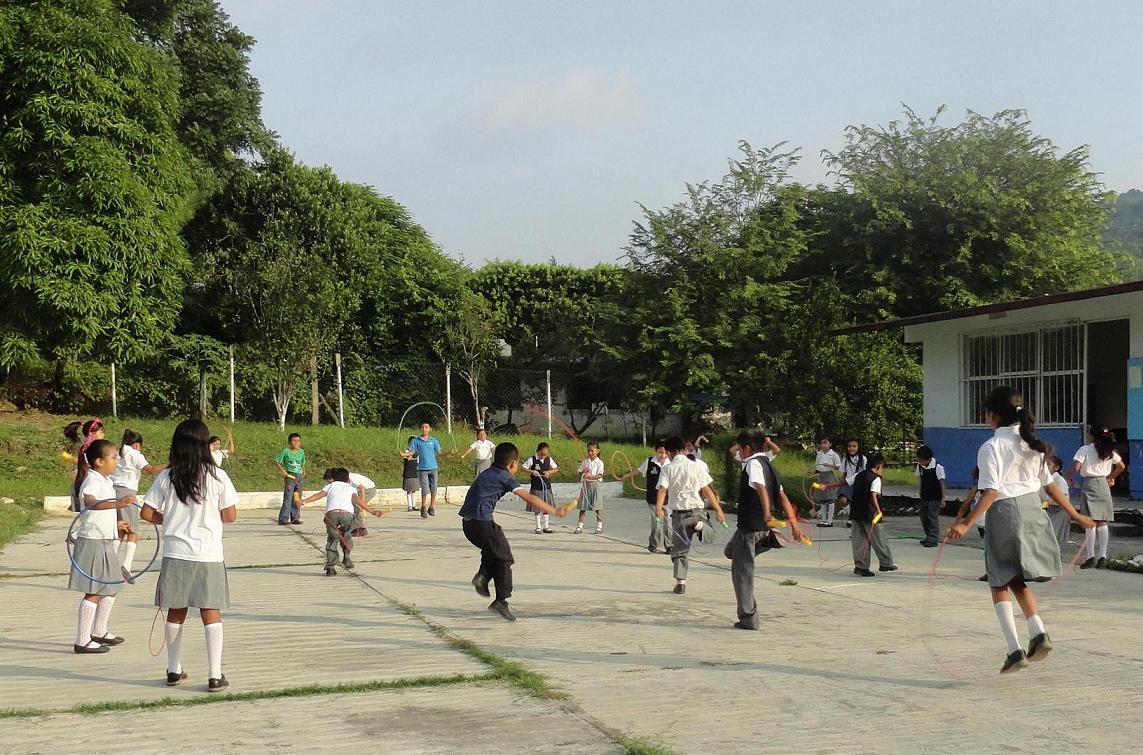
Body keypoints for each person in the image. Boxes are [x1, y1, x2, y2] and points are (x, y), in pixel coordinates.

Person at [949, 387, 1093, 673]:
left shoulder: (991, 447)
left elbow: (991, 492)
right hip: (1033, 511)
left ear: (992, 415)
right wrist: (1076, 514)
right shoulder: (1032, 445)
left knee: (998, 580)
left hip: (1005, 512)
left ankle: (1014, 649)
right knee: (1015, 578)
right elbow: (1050, 487)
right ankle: (1038, 632)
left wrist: (965, 523)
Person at [141, 418, 239, 692]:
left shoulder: (167, 476)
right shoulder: (217, 475)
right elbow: (230, 515)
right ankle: (215, 674)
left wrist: (169, 520)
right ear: (204, 444)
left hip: (176, 553)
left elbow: (146, 513)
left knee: (176, 611)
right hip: (208, 553)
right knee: (210, 611)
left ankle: (173, 669)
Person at [459, 442, 566, 621]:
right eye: (517, 464)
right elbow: (529, 497)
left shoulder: (488, 472)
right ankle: (500, 601)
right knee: (505, 558)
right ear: (512, 464)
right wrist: (554, 510)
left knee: (494, 549)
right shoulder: (504, 476)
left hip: (468, 525)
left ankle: (483, 577)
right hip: (481, 522)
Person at [725, 432, 801, 629]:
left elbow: (761, 488)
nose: (740, 454)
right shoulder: (770, 466)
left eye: (741, 449)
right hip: (762, 528)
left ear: (747, 448)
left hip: (751, 526)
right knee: (731, 552)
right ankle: (763, 543)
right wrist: (794, 524)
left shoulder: (753, 464)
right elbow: (782, 496)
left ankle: (748, 619)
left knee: (742, 572)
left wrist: (767, 512)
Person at [69, 439, 134, 654]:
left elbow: (100, 514)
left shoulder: (105, 480)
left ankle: (99, 630)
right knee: (94, 591)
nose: (117, 462)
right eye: (113, 458)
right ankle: (82, 640)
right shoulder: (92, 480)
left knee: (112, 586)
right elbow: (90, 503)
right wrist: (119, 503)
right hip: (93, 541)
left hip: (105, 539)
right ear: (99, 461)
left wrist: (117, 525)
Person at [655, 436, 725, 595]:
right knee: (710, 535)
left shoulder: (667, 469)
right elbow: (707, 490)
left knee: (680, 550)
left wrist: (659, 508)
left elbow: (662, 489)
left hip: (679, 515)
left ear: (668, 453)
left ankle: (681, 583)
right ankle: (699, 525)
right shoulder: (696, 466)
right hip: (697, 511)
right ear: (685, 450)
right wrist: (718, 510)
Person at [301, 468, 384, 576]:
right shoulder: (351, 488)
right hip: (347, 515)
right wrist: (372, 511)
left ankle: (331, 567)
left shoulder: (330, 486)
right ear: (347, 478)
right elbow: (358, 501)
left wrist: (303, 501)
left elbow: (318, 495)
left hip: (332, 515)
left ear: (334, 478)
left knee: (332, 539)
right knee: (347, 536)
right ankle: (347, 557)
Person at [109, 430, 166, 583]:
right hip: (127, 492)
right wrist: (170, 464)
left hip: (113, 491)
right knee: (133, 531)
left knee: (121, 528)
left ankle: (110, 563)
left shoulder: (117, 452)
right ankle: (126, 566)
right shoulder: (134, 454)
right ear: (137, 444)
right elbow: (151, 470)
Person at [1070, 426, 1125, 569]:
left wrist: (1068, 477)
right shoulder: (1109, 451)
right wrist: (1110, 477)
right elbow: (1121, 466)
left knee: (1090, 521)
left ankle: (1090, 557)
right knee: (1102, 521)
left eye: (1089, 433)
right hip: (1103, 484)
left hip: (1089, 484)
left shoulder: (1085, 449)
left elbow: (1076, 467)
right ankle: (1103, 557)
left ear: (1093, 436)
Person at [848, 453, 897, 577]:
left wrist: (827, 486)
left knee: (859, 541)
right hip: (870, 513)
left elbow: (845, 482)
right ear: (878, 466)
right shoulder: (876, 479)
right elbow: (873, 495)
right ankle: (885, 563)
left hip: (856, 511)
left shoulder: (859, 475)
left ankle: (861, 566)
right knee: (879, 538)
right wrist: (878, 510)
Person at [624, 440, 670, 553]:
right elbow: (638, 471)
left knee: (669, 522)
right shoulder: (649, 462)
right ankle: (654, 543)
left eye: (665, 453)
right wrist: (627, 476)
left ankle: (670, 545)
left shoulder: (671, 463)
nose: (663, 455)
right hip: (653, 498)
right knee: (657, 522)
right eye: (660, 452)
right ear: (656, 451)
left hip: (668, 499)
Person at [952, 467, 987, 581]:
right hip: (983, 524)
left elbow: (964, 507)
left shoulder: (988, 490)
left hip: (991, 523)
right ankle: (992, 571)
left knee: (989, 548)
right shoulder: (977, 489)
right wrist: (957, 523)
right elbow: (964, 506)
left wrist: (957, 523)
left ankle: (993, 572)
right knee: (988, 548)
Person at [520, 442, 558, 534]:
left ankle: (546, 527)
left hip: (546, 486)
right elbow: (523, 467)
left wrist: (549, 472)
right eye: (542, 454)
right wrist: (532, 471)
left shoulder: (549, 459)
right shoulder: (532, 459)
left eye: (545, 454)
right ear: (538, 451)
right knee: (537, 507)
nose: (543, 456)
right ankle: (538, 527)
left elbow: (556, 468)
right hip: (536, 486)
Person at [408, 422, 443, 518]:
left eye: (426, 427)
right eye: (423, 427)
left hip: (433, 467)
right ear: (420, 429)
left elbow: (440, 453)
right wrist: (405, 454)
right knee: (425, 488)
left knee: (434, 487)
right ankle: (423, 507)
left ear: (430, 429)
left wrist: (449, 452)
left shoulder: (434, 440)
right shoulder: (416, 441)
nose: (424, 429)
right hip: (422, 468)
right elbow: (412, 451)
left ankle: (432, 506)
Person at [915, 445, 946, 547]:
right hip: (924, 496)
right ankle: (928, 536)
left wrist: (943, 498)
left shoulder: (938, 467)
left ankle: (933, 538)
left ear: (928, 459)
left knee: (932, 517)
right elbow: (920, 479)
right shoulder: (920, 467)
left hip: (935, 497)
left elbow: (942, 483)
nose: (919, 462)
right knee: (923, 516)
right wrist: (920, 490)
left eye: (921, 460)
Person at [273, 433, 305, 525]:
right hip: (290, 476)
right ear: (289, 442)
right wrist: (283, 471)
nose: (296, 443)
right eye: (294, 441)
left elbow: (303, 463)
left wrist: (303, 471)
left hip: (299, 476)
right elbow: (276, 461)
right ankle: (283, 518)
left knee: (297, 497)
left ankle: (295, 517)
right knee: (288, 497)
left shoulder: (301, 452)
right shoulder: (286, 451)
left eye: (298, 441)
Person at [574, 442, 605, 534]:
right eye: (588, 451)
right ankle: (580, 526)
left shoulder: (600, 463)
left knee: (597, 506)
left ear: (598, 451)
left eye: (592, 450)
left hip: (595, 485)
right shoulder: (585, 462)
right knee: (582, 506)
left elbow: (600, 475)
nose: (590, 452)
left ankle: (599, 526)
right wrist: (583, 472)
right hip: (585, 485)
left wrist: (590, 476)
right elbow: (579, 472)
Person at [1042, 456, 1073, 547]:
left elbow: (1063, 497)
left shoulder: (1059, 480)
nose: (1045, 466)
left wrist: (1044, 504)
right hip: (1049, 509)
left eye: (1048, 464)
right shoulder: (1046, 479)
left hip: (1059, 511)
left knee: (1052, 537)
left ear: (1056, 468)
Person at [837, 439, 867, 526]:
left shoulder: (863, 459)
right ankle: (851, 515)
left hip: (859, 484)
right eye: (849, 446)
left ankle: (853, 519)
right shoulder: (846, 459)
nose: (852, 448)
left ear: (858, 447)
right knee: (843, 500)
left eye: (854, 446)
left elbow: (862, 473)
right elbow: (844, 473)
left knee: (856, 502)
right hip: (847, 484)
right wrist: (839, 484)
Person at [813, 436, 841, 527]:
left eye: (825, 443)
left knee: (830, 498)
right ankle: (823, 520)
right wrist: (813, 471)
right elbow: (817, 466)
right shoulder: (819, 454)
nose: (823, 445)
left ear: (830, 444)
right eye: (821, 443)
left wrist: (830, 465)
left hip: (829, 476)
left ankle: (829, 521)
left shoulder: (833, 455)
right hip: (821, 476)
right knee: (823, 499)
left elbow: (839, 467)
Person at [347, 471, 377, 537]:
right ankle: (355, 527)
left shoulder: (350, 478)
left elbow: (362, 488)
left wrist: (362, 502)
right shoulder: (346, 477)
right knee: (352, 507)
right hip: (364, 490)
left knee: (356, 507)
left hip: (369, 490)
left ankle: (361, 529)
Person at [401, 440, 419, 512]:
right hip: (408, 473)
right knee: (409, 491)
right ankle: (410, 506)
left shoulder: (417, 451)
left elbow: (414, 456)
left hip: (415, 473)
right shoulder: (407, 450)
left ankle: (414, 505)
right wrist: (405, 454)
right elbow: (408, 457)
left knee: (414, 490)